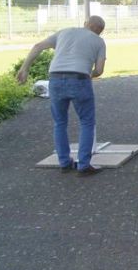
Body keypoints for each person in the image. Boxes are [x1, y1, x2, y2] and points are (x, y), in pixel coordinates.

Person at [17, 15, 107, 176]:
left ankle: (64, 162)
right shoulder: (99, 42)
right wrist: (89, 74)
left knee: (60, 122)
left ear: (86, 23)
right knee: (86, 122)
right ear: (100, 31)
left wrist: (25, 68)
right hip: (80, 79)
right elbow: (99, 70)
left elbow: (38, 46)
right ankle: (84, 165)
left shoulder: (65, 32)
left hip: (55, 78)